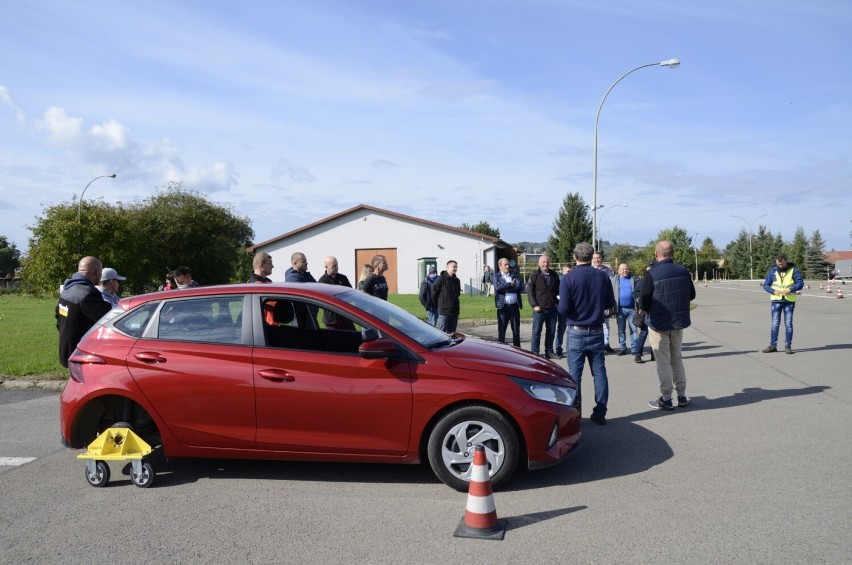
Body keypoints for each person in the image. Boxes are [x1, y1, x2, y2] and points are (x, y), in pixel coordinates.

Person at [558, 243, 616, 425]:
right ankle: (600, 412)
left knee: (575, 376)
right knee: (599, 372)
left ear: (574, 257)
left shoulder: (568, 278)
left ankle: (576, 414)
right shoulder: (602, 276)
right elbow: (609, 303)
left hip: (577, 330)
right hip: (597, 329)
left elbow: (563, 308)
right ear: (591, 257)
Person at [639, 241, 696, 411]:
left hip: (658, 322)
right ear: (673, 253)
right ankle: (682, 395)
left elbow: (644, 300)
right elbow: (691, 295)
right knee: (676, 359)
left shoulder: (652, 273)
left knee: (663, 361)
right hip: (678, 322)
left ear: (656, 254)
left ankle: (666, 398)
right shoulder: (683, 271)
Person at [56, 257, 112, 368]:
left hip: (67, 349)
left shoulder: (67, 289)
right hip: (82, 355)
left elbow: (58, 319)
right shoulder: (87, 293)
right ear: (97, 272)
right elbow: (108, 318)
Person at [761, 253, 804, 354]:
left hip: (789, 301)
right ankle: (773, 346)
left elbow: (800, 283)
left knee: (788, 324)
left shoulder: (794, 270)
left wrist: (791, 289)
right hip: (776, 300)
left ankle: (788, 346)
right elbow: (766, 285)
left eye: (782, 264)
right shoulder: (773, 271)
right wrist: (773, 291)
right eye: (778, 264)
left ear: (786, 261)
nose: (780, 266)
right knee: (775, 324)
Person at [526, 254, 560, 359]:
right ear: (539, 263)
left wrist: (557, 302)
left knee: (551, 331)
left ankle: (549, 352)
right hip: (539, 309)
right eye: (543, 262)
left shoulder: (554, 275)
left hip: (552, 308)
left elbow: (558, 290)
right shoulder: (534, 275)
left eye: (547, 262)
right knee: (536, 332)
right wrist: (534, 305)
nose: (545, 264)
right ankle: (535, 352)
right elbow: (529, 291)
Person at [493, 258, 523, 346]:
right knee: (502, 331)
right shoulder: (496, 276)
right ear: (500, 266)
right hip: (503, 307)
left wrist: (505, 289)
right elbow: (497, 288)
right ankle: (501, 352)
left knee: (516, 331)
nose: (507, 266)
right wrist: (510, 284)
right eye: (505, 264)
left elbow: (519, 287)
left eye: (508, 264)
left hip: (514, 306)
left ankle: (518, 351)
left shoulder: (514, 275)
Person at [317, 256, 354, 329]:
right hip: (332, 320)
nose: (337, 267)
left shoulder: (343, 278)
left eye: (337, 265)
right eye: (333, 266)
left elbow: (351, 294)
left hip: (345, 316)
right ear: (326, 267)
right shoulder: (322, 282)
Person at [611, 263, 640, 357]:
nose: (625, 271)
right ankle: (622, 348)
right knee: (621, 330)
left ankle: (634, 348)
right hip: (620, 309)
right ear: (618, 270)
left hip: (632, 309)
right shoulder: (614, 280)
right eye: (623, 269)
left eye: (626, 269)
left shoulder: (634, 279)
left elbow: (639, 293)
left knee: (634, 329)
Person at [632, 261, 656, 363]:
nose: (650, 270)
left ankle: (654, 354)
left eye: (652, 268)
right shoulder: (643, 280)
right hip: (645, 311)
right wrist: (640, 304)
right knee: (644, 333)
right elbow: (636, 293)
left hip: (655, 311)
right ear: (647, 269)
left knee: (655, 334)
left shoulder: (656, 279)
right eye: (649, 268)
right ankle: (638, 354)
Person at [593, 252, 615, 353]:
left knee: (606, 324)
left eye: (598, 258)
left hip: (604, 301)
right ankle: (595, 345)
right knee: (594, 325)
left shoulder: (608, 271)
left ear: (601, 259)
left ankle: (606, 344)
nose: (597, 260)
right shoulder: (590, 270)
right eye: (595, 258)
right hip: (593, 302)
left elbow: (612, 286)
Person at [432, 260, 461, 333]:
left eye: (456, 267)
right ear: (448, 267)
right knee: (441, 334)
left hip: (454, 312)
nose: (455, 269)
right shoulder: (440, 279)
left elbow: (457, 294)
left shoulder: (457, 281)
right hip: (444, 312)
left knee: (452, 335)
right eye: (454, 267)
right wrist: (439, 305)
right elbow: (434, 293)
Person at [554, 263, 572, 358]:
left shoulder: (573, 280)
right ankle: (558, 349)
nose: (569, 273)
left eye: (570, 271)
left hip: (571, 308)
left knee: (570, 330)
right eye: (567, 271)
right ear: (563, 271)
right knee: (561, 329)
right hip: (560, 308)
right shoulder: (559, 281)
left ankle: (570, 349)